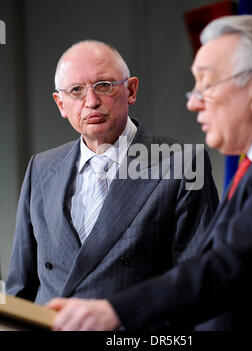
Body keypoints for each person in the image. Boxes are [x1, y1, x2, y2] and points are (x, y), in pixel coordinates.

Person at [48, 15, 252, 331]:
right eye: (75, 90)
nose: (194, 102)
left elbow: (227, 267)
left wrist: (116, 311)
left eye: (207, 85)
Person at [6, 41, 218, 305]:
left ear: (130, 90)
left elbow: (200, 284)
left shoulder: (183, 163)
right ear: (61, 104)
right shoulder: (41, 168)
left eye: (104, 86)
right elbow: (20, 288)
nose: (91, 102)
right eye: (76, 91)